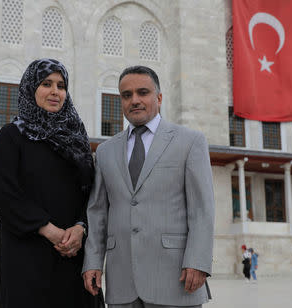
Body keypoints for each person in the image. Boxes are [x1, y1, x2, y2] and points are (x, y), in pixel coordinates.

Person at [82, 66, 215, 308]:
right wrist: (92, 262)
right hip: (122, 280)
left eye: (142, 92)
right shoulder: (105, 151)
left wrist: (198, 260)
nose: (135, 100)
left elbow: (202, 209)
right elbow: (98, 212)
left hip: (176, 278)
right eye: (126, 95)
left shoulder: (190, 141)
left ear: (159, 98)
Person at [0, 58, 94, 308]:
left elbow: (92, 192)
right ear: (30, 88)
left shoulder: (76, 137)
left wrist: (80, 227)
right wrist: (51, 232)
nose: (55, 92)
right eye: (46, 84)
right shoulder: (12, 136)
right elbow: (5, 198)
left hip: (75, 254)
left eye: (61, 85)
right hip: (29, 255)